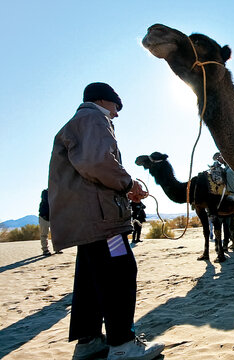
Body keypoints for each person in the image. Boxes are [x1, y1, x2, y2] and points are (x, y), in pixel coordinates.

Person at [48, 82, 164, 360]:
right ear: (103, 100)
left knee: (90, 278)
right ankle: (122, 343)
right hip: (104, 224)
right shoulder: (93, 118)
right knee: (120, 272)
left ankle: (89, 342)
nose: (117, 114)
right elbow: (97, 162)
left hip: (87, 222)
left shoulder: (77, 122)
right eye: (115, 106)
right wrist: (129, 183)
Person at [38, 189, 59, 256]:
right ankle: (45, 249)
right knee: (44, 234)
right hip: (44, 217)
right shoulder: (45, 192)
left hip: (53, 217)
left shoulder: (55, 192)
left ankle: (57, 248)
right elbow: (47, 201)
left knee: (56, 234)